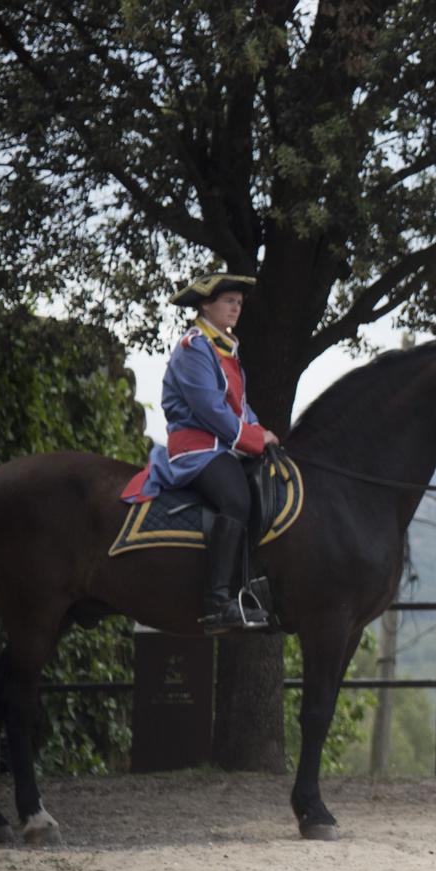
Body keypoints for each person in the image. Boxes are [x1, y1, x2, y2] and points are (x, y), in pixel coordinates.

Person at [121, 271, 275, 633]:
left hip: (224, 444)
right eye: (228, 302)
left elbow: (240, 407)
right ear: (206, 304)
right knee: (236, 500)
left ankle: (252, 586)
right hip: (197, 448)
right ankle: (218, 601)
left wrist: (262, 433)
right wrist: (252, 439)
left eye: (238, 303)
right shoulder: (194, 347)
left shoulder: (225, 346)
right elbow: (209, 408)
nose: (236, 308)